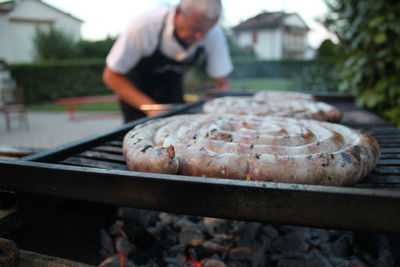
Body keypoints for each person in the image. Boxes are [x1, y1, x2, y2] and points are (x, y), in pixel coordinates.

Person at [103, 0, 233, 123]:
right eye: (195, 28)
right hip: (137, 101)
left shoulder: (214, 34)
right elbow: (111, 76)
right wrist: (152, 108)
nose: (200, 36)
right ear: (178, 12)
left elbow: (222, 84)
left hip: (174, 97)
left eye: (205, 31)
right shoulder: (144, 26)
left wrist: (221, 113)